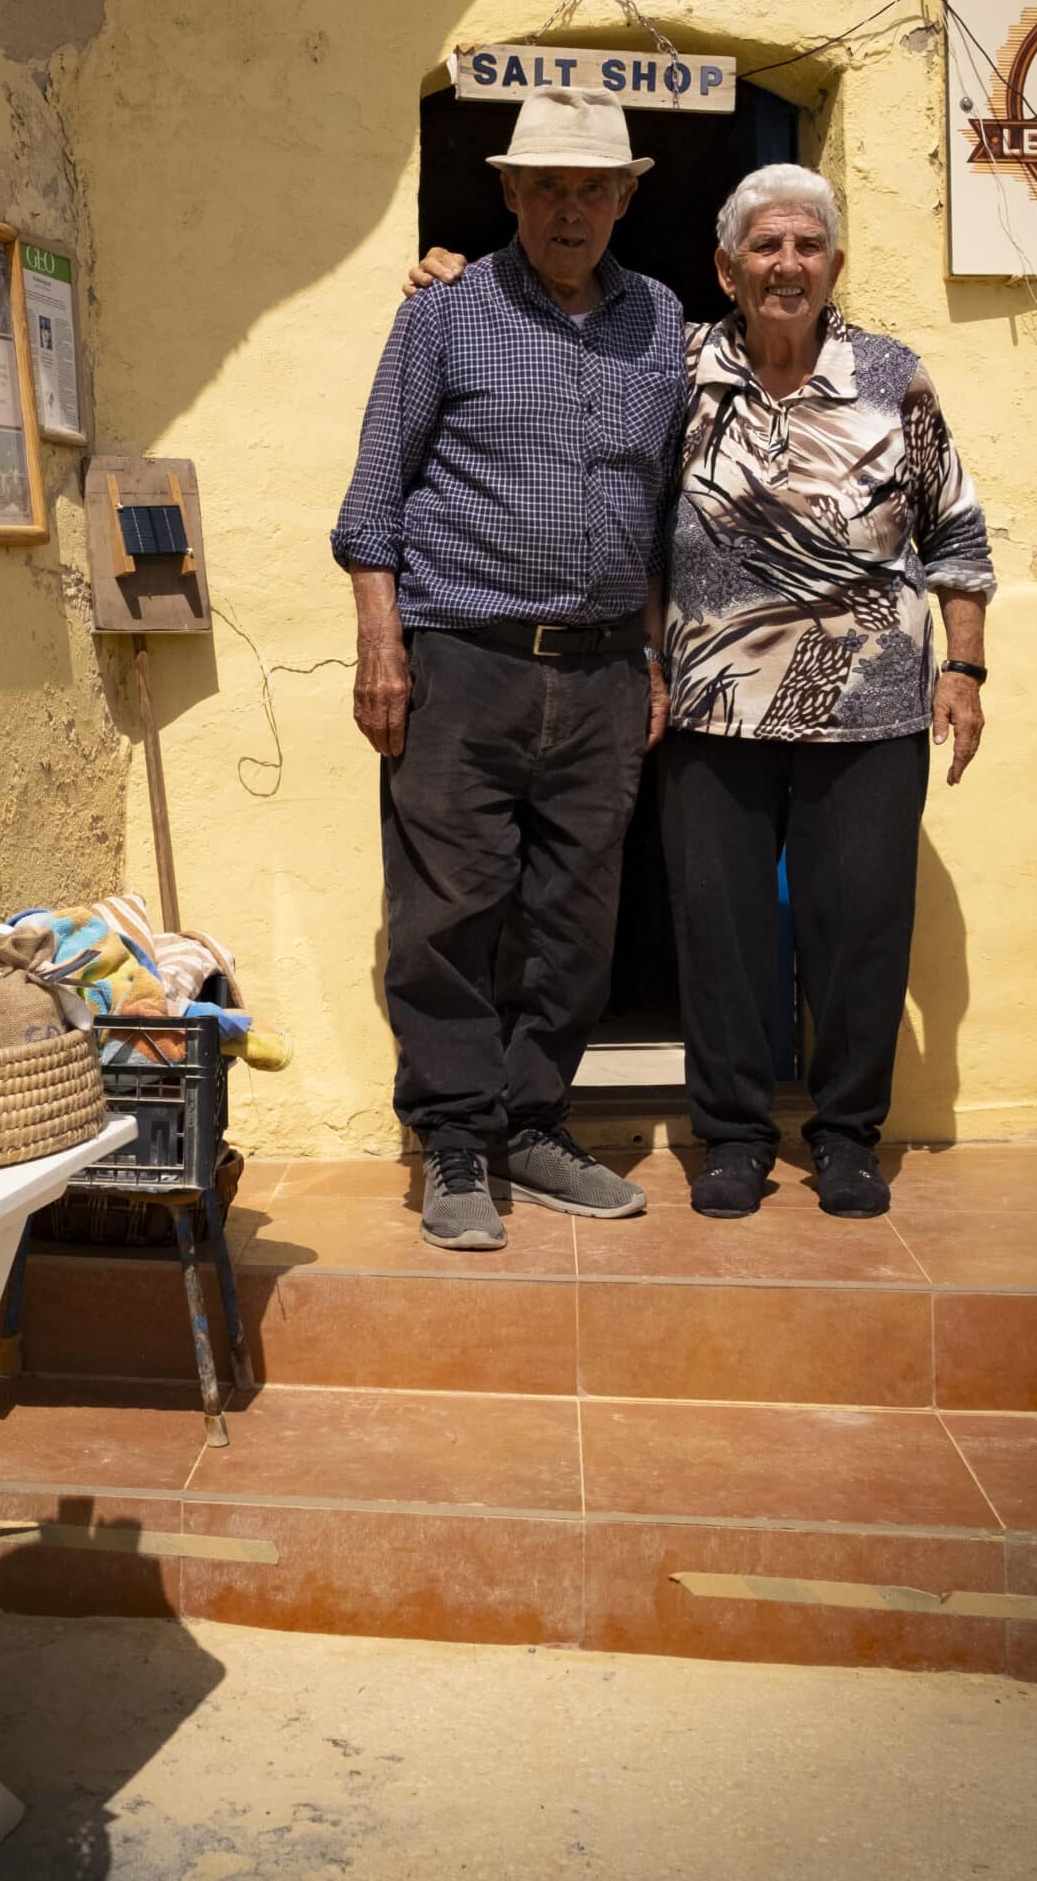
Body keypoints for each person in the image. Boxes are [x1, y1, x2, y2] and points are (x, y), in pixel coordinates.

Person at [408, 161, 995, 1221]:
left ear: (836, 265)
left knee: (858, 927)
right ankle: (730, 1136)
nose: (787, 265)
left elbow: (956, 530)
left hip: (872, 706)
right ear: (724, 266)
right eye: (764, 246)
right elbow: (611, 480)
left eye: (807, 246)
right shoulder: (676, 365)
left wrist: (964, 666)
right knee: (719, 930)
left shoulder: (892, 375)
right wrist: (450, 283)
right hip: (715, 701)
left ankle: (848, 1136)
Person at [332, 88, 683, 1251]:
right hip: (461, 664)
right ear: (511, 194)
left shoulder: (662, 324)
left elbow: (660, 509)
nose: (570, 210)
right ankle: (455, 1144)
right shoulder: (445, 314)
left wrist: (651, 655)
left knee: (578, 921)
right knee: (447, 914)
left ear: (628, 196)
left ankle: (532, 1126)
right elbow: (374, 497)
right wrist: (383, 649)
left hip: (598, 675)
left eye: (592, 189)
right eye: (548, 188)